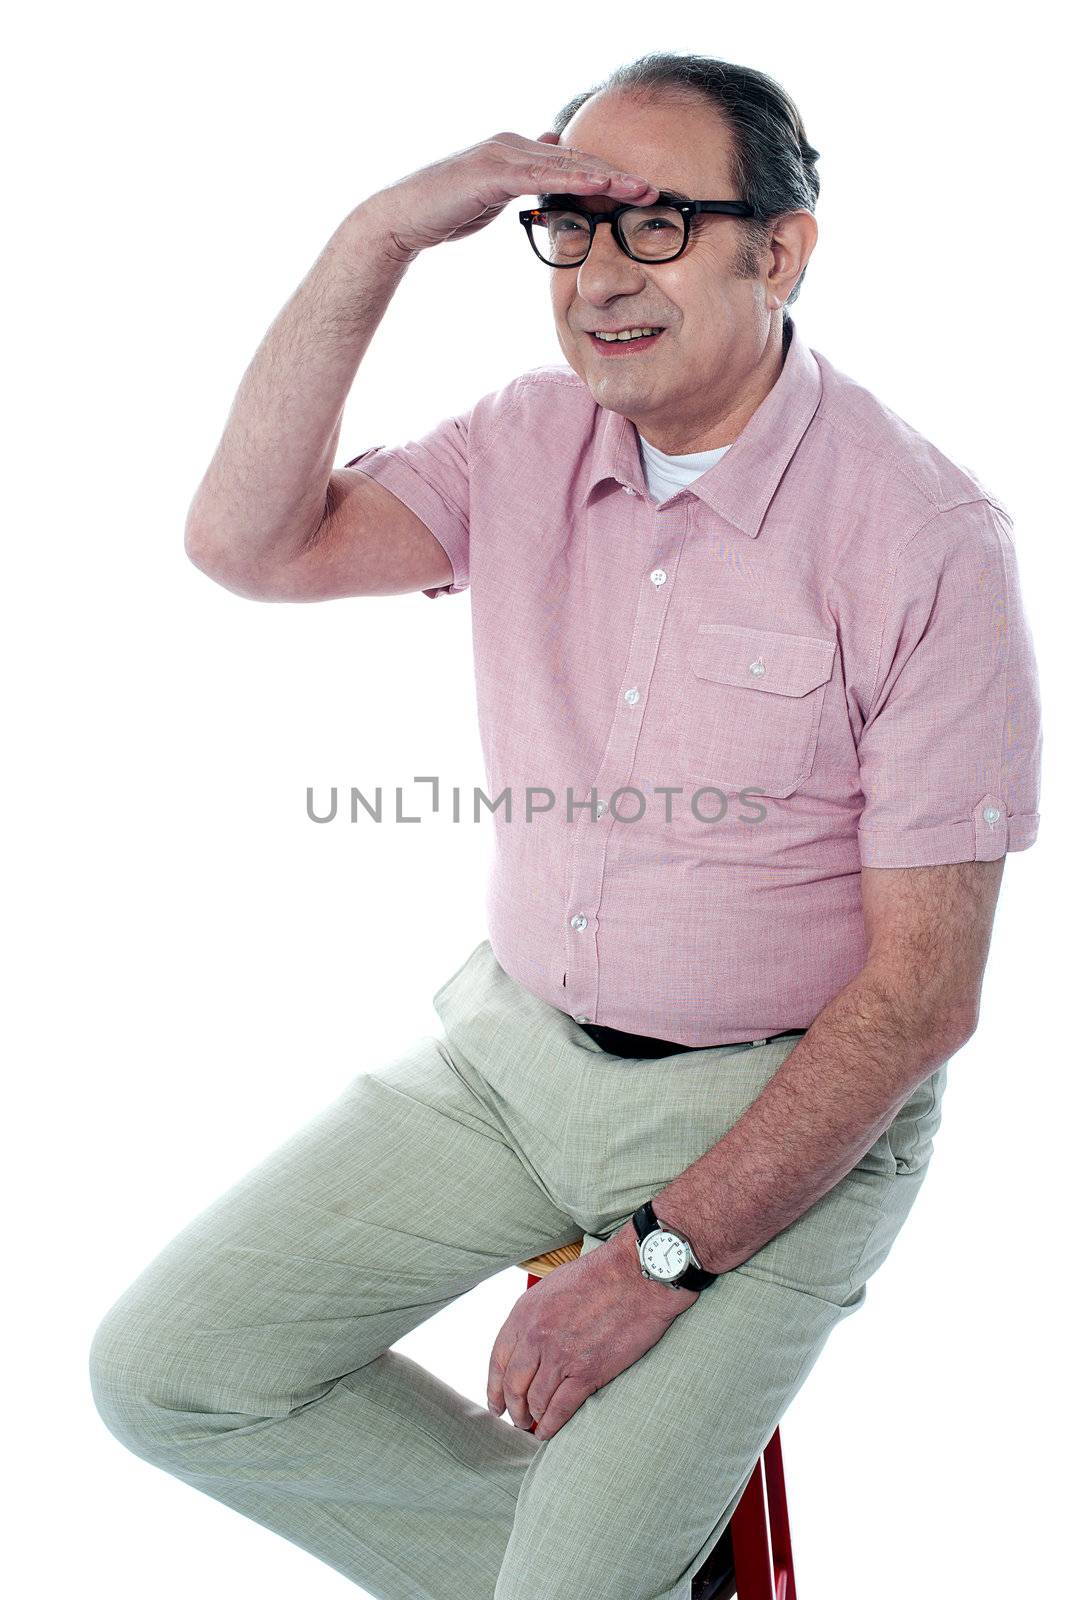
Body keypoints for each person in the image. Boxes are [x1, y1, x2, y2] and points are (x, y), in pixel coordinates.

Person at [89, 51, 1042, 1600]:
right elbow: (243, 544)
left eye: (658, 224)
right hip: (509, 1063)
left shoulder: (924, 538)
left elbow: (924, 997)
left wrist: (664, 1257)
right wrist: (381, 234)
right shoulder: (522, 438)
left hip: (779, 1113)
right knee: (170, 1374)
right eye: (571, 224)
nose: (602, 273)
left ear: (778, 248)